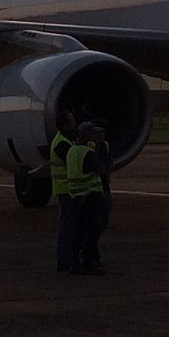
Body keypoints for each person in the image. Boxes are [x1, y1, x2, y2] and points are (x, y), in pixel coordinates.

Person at [66, 122, 107, 275]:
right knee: (91, 231)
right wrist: (99, 151)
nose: (95, 137)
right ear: (85, 136)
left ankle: (74, 262)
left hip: (76, 196)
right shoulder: (88, 152)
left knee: (78, 230)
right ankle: (88, 263)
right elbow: (101, 169)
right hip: (90, 196)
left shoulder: (72, 150)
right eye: (92, 134)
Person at [50, 111, 78, 272]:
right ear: (65, 125)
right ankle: (64, 261)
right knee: (67, 227)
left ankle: (70, 259)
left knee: (72, 226)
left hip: (72, 190)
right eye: (72, 122)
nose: (74, 124)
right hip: (67, 190)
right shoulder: (61, 143)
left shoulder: (67, 140)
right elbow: (75, 162)